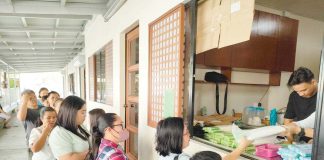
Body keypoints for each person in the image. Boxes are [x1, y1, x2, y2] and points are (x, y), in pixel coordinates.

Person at [156, 117, 253, 160]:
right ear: (175, 138)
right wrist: (241, 147)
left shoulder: (166, 153)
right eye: (186, 133)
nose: (189, 134)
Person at [48, 96, 90, 160]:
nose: (85, 115)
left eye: (85, 112)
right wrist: (89, 153)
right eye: (82, 112)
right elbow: (68, 158)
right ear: (72, 112)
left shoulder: (80, 126)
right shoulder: (59, 133)